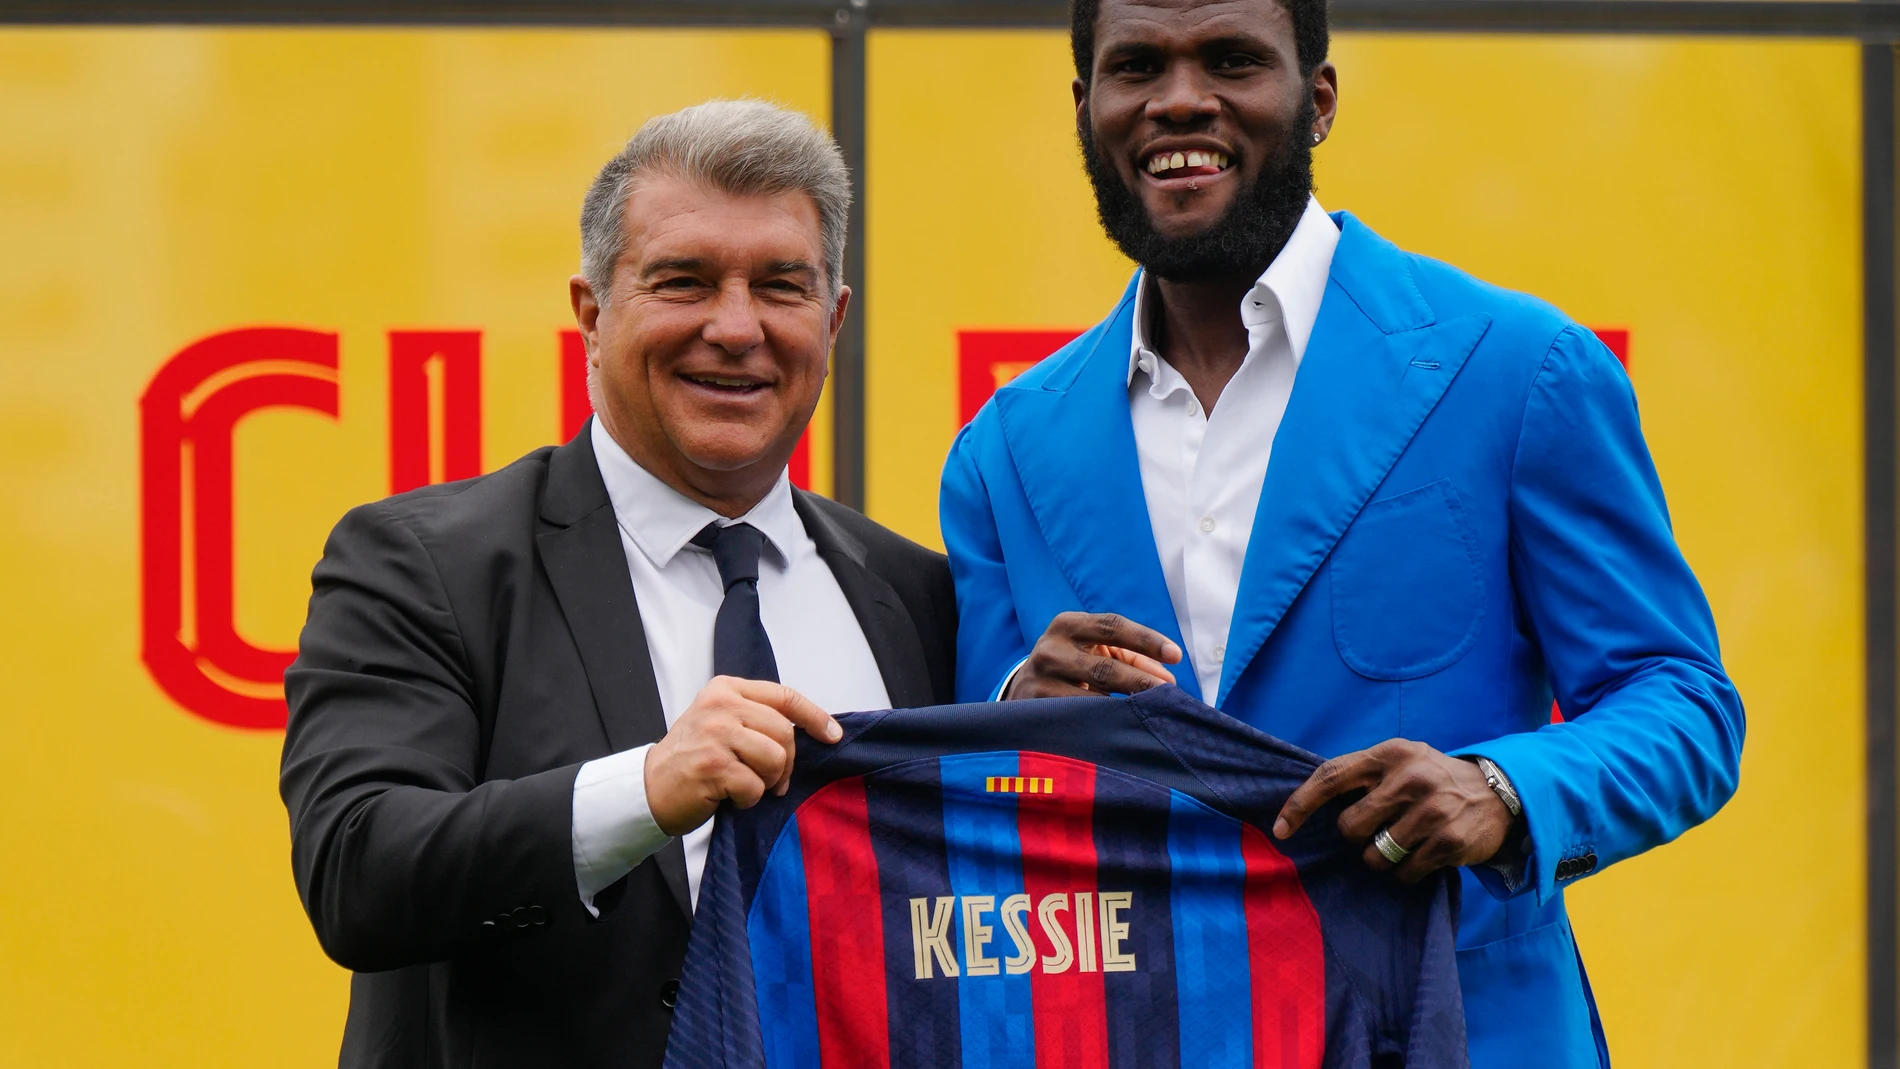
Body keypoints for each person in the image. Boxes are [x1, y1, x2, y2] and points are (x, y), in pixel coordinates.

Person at [938, 2, 1743, 1066]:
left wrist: (1502, 789)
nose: (1179, 98)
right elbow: (971, 808)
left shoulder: (1519, 367)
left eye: (1229, 59)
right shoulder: (1003, 451)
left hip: (1458, 1031)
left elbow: (1683, 703)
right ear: (1087, 110)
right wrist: (1006, 716)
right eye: (1136, 67)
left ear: (1316, 100)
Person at [281, 100, 956, 1069]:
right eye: (682, 281)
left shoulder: (917, 594)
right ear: (592, 314)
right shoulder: (423, 564)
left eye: (780, 286)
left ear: (833, 317)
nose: (736, 327)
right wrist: (642, 790)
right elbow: (359, 870)